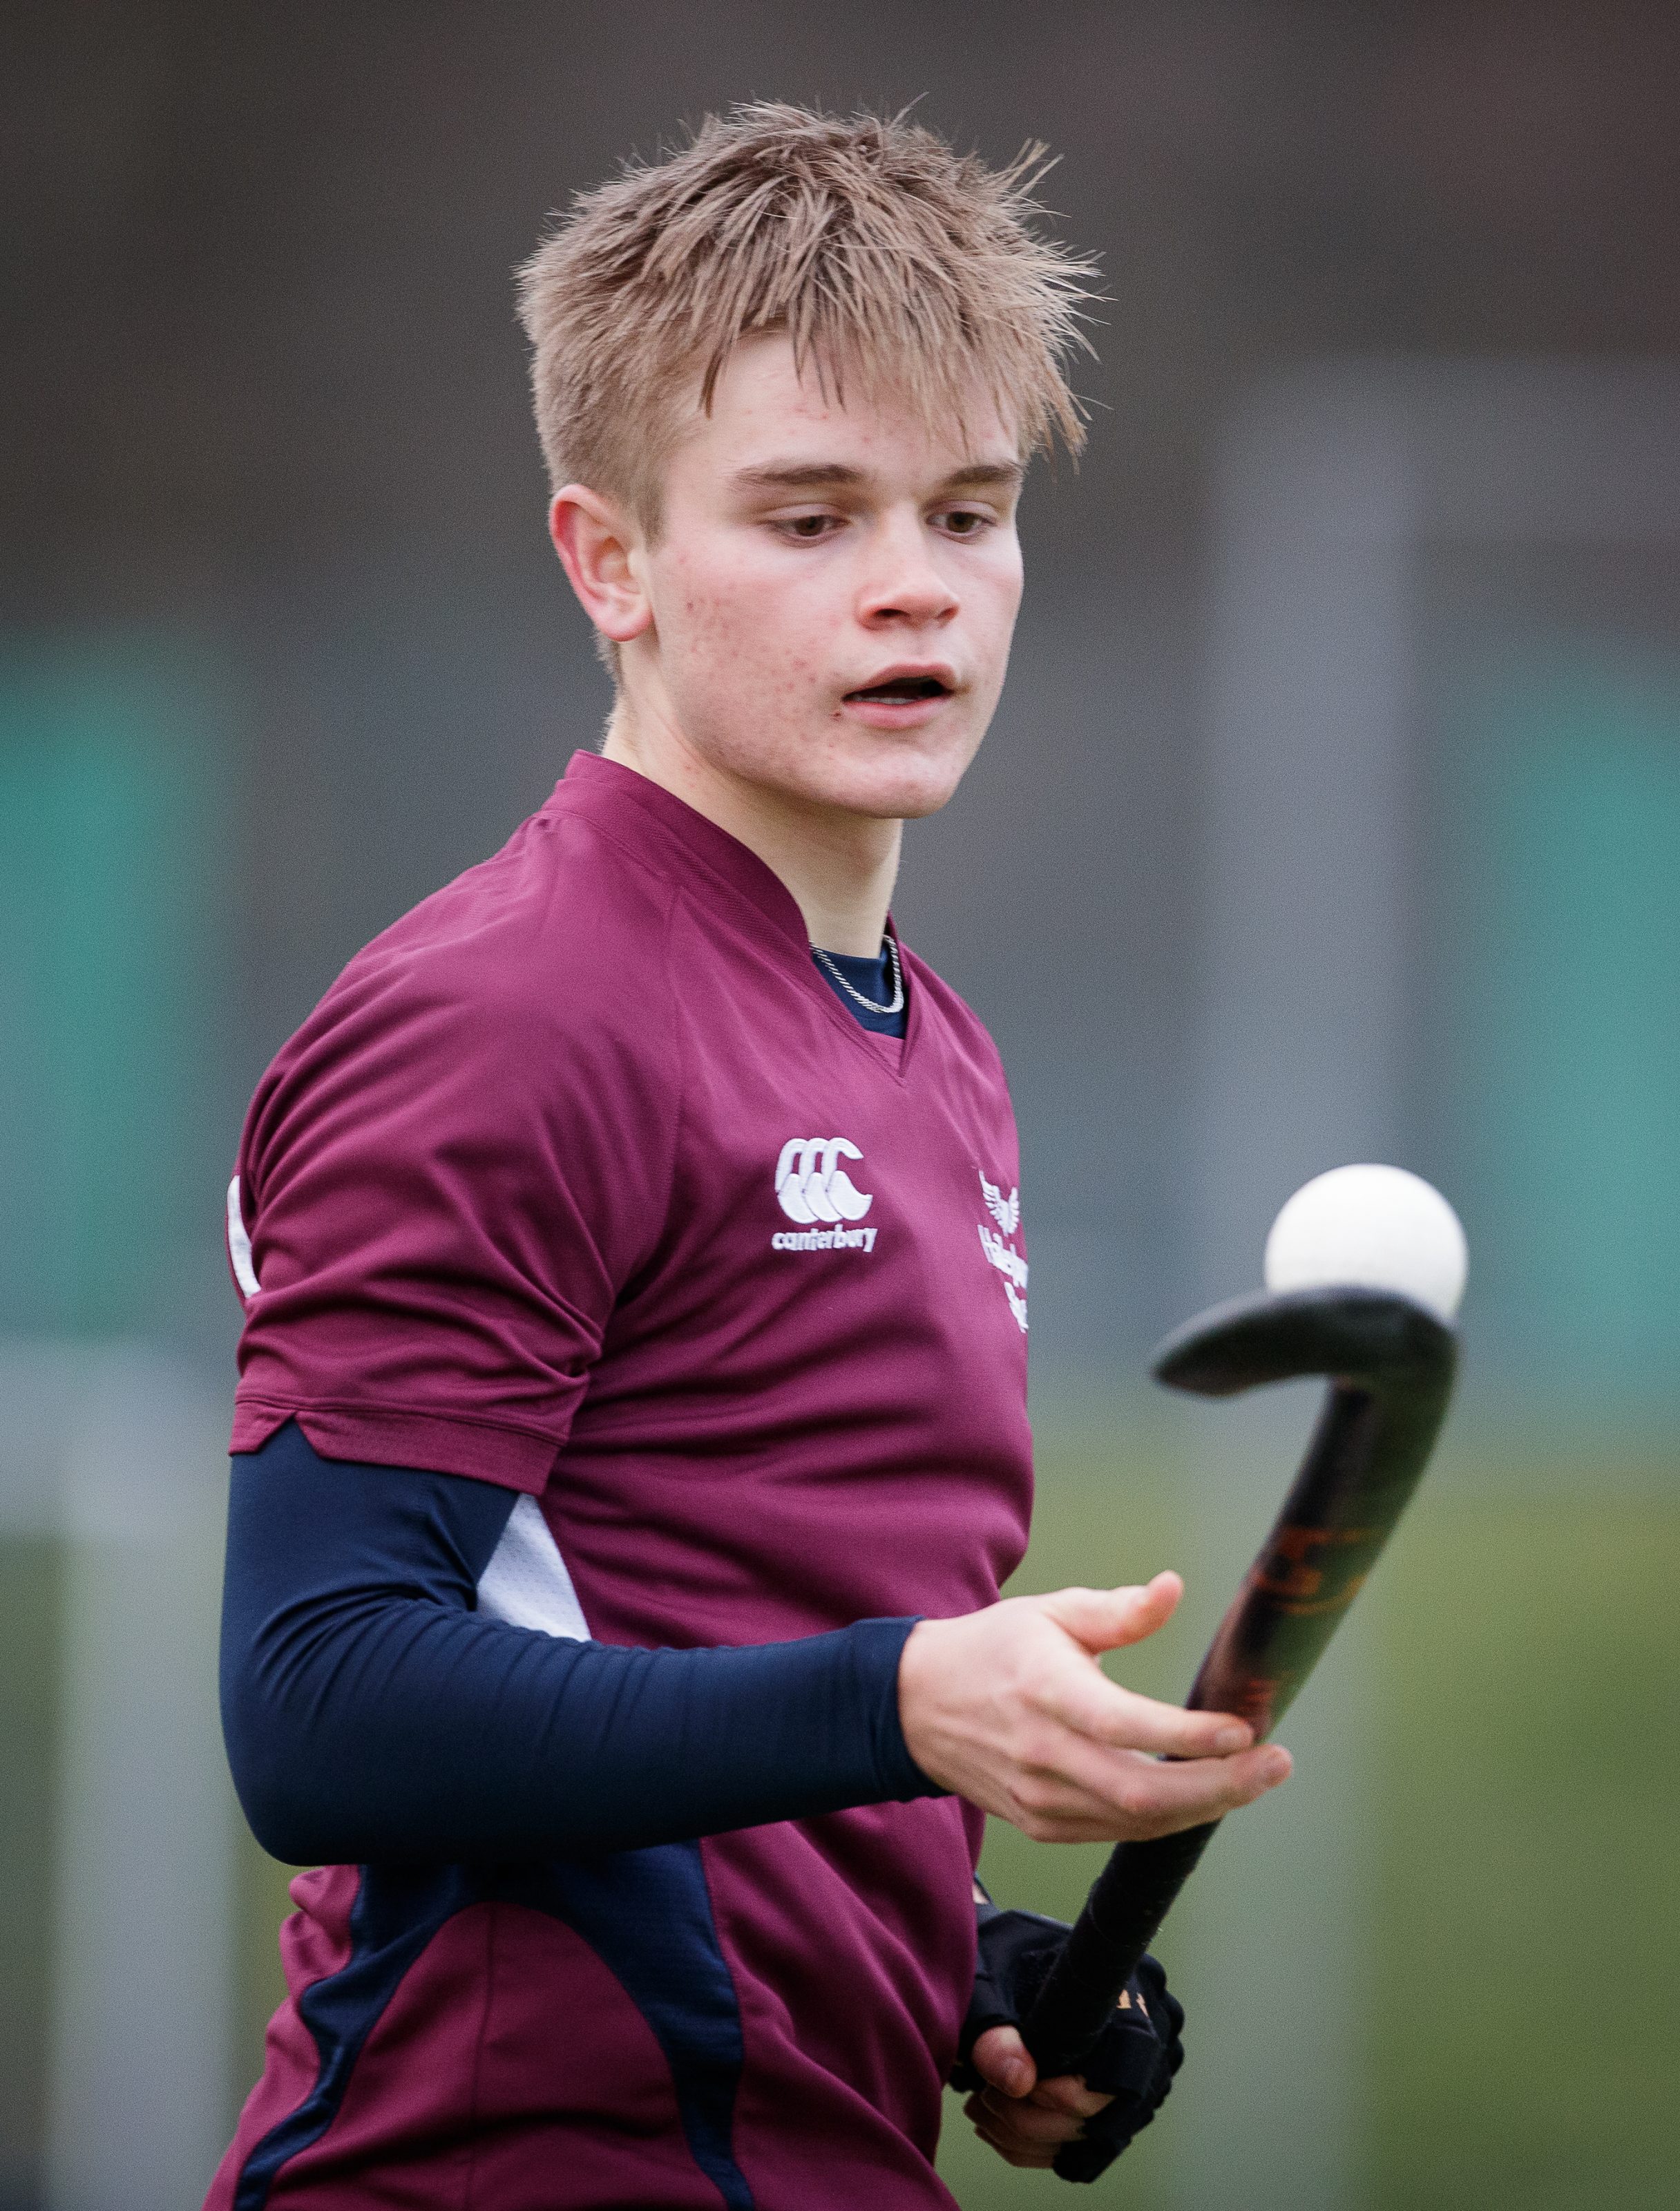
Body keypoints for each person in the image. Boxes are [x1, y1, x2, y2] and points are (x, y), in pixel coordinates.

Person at [206, 103, 1292, 2210]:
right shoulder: (510, 1011)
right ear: (607, 560)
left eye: (967, 513)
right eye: (809, 518)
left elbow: (705, 1660)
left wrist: (967, 1963)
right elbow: (319, 1705)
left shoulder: (931, 1045)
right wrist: (905, 1706)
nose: (915, 585)